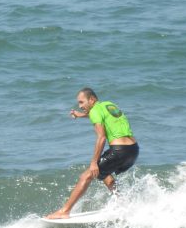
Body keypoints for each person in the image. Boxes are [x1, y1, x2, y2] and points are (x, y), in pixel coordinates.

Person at [46, 88, 139, 219]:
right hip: (133, 150)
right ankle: (122, 202)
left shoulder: (95, 111)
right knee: (104, 173)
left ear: (92, 99)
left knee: (87, 175)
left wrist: (94, 162)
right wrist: (80, 114)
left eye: (82, 102)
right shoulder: (109, 105)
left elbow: (101, 138)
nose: (80, 106)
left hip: (119, 150)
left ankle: (64, 211)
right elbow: (99, 114)